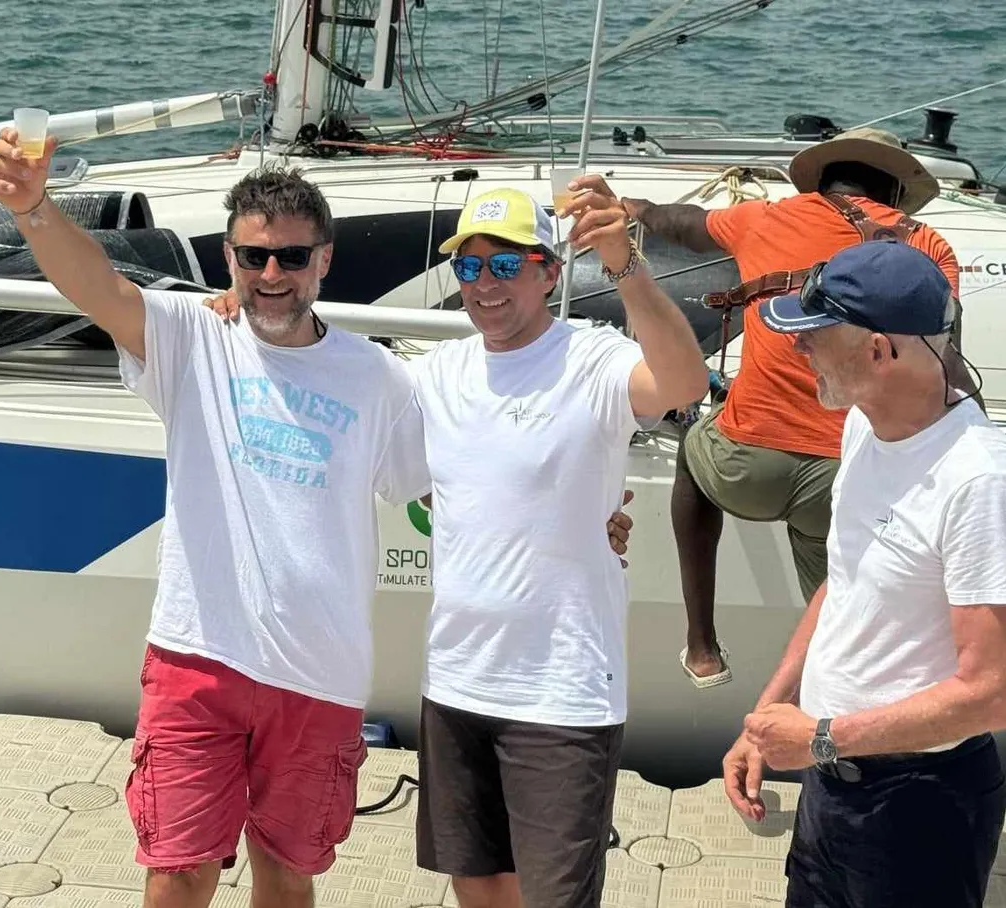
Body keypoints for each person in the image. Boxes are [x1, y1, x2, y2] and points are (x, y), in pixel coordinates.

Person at [0, 133, 636, 908]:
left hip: (320, 678)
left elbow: (464, 470)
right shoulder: (193, 336)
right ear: (226, 258)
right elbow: (96, 288)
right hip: (199, 660)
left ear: (325, 260)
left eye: (292, 258)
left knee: (287, 876)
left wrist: (584, 510)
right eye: (252, 257)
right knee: (177, 873)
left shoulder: (381, 377)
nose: (270, 275)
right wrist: (34, 209)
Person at [411, 182, 708, 908]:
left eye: (507, 266)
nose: (485, 285)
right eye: (471, 267)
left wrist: (625, 264)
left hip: (563, 692)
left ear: (549, 271)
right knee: (477, 884)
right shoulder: (435, 374)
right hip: (454, 682)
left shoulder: (594, 358)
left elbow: (682, 380)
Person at [619, 126, 979, 687]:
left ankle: (702, 645)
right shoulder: (926, 246)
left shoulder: (766, 216)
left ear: (825, 177)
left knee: (693, 448)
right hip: (840, 477)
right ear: (892, 190)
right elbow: (942, 353)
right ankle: (846, 687)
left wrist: (635, 207)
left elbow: (683, 226)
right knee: (837, 592)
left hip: (744, 471)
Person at [722, 240, 1006, 908]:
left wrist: (818, 738)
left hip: (919, 806)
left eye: (814, 337)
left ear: (879, 351)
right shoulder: (863, 426)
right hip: (833, 784)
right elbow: (844, 581)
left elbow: (990, 693)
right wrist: (769, 715)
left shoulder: (978, 481)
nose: (799, 351)